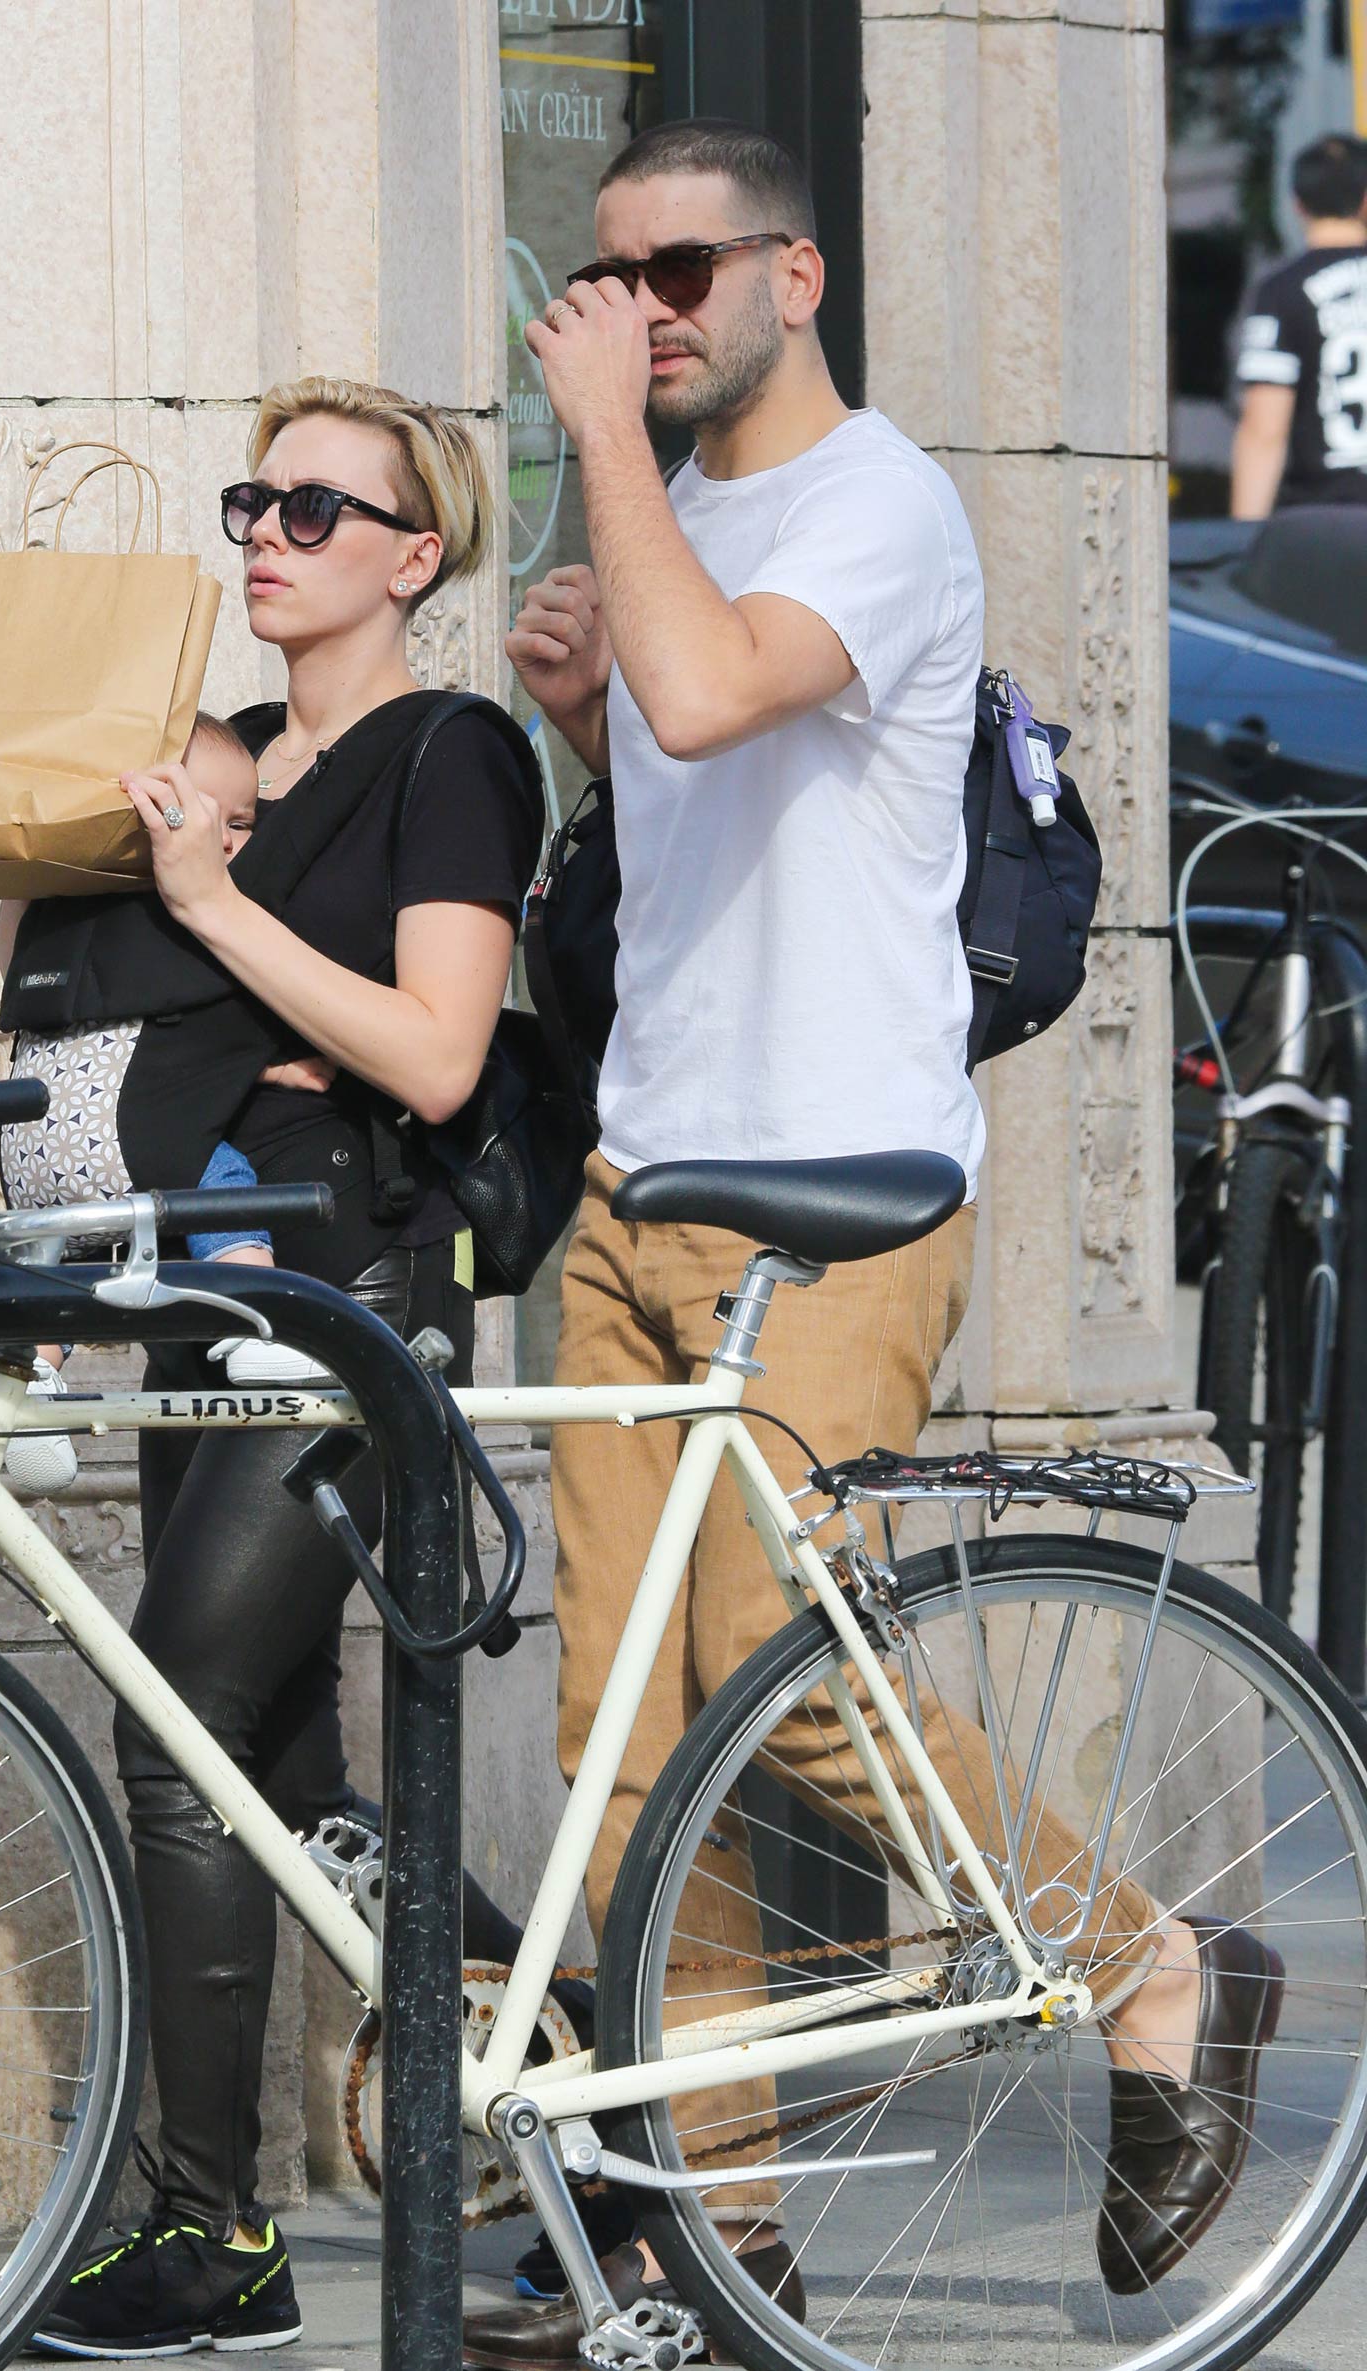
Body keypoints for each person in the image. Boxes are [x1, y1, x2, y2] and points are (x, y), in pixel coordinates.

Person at [461, 120, 1284, 2367]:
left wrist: (606, 478)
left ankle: (1144, 1965)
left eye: (679, 271)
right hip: (645, 1177)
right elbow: (702, 793)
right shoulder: (688, 516)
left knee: (784, 1682)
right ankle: (705, 2237)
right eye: (611, 277)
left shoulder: (880, 502)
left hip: (831, 1191)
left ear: (792, 276)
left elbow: (726, 688)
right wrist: (572, 713)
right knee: (632, 1759)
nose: (639, 310)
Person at [27, 375, 546, 2359]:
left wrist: (215, 905)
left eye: (319, 510)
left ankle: (212, 2234)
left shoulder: (450, 754)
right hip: (206, 1292)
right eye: (255, 499)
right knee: (289, 1772)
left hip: (347, 1301)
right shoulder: (224, 757)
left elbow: (430, 1056)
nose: (268, 533)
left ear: (416, 555)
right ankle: (589, 2053)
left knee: (172, 1731)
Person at [0, 713, 331, 1493]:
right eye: (223, 820)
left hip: (36, 1158)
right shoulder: (190, 917)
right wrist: (281, 1066)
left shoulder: (74, 918)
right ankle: (257, 1320)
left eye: (245, 823)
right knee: (223, 1186)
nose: (231, 841)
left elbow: (19, 976)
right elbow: (221, 1036)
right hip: (141, 1146)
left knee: (53, 1267)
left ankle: (28, 1384)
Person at [1231, 133, 1367, 519]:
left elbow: (1264, 429)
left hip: (1322, 526)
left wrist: (1244, 541)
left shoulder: (1281, 291)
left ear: (1298, 204)